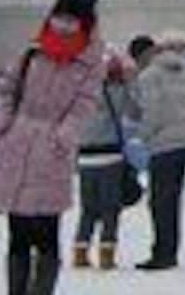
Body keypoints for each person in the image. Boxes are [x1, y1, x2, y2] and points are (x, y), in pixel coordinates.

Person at [0, 0, 107, 295]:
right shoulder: (32, 51)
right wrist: (3, 122)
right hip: (17, 144)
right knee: (18, 236)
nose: (63, 25)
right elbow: (7, 87)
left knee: (46, 235)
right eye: (60, 17)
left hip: (51, 153)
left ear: (85, 23)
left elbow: (85, 105)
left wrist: (62, 136)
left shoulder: (90, 63)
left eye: (71, 20)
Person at [136, 38, 185, 271]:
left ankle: (161, 253)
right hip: (183, 140)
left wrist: (143, 135)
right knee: (171, 201)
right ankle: (169, 250)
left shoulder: (150, 76)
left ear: (141, 55)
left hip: (163, 143)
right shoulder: (179, 70)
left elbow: (153, 109)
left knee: (159, 201)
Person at [74, 54, 139, 270]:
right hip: (109, 156)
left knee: (88, 208)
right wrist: (129, 82)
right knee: (111, 208)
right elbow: (134, 111)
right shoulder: (117, 92)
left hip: (84, 158)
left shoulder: (81, 93)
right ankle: (106, 253)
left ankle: (80, 251)